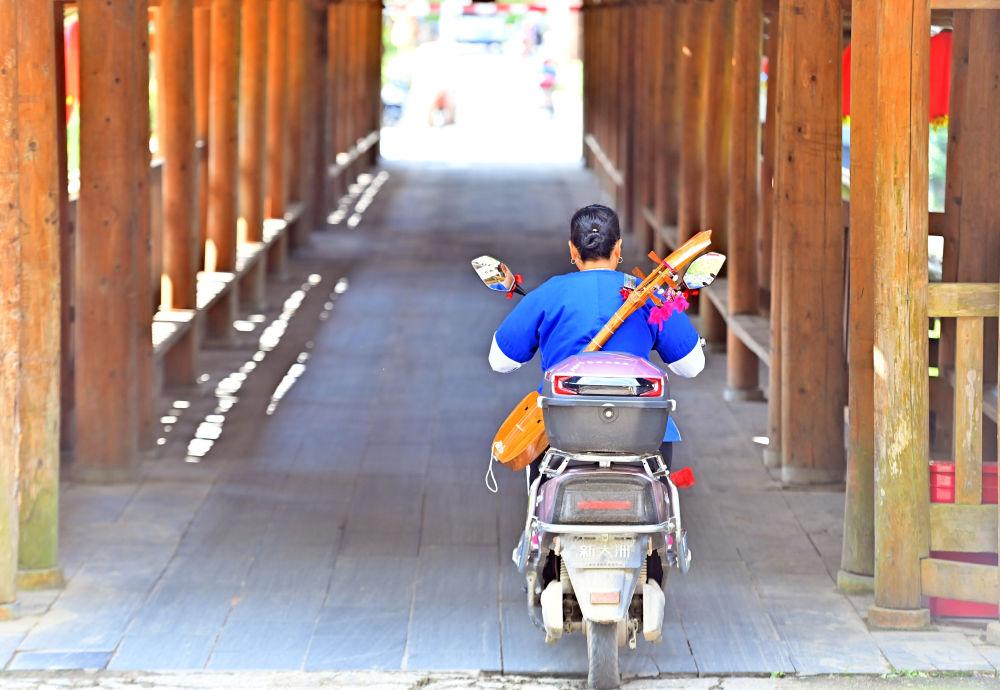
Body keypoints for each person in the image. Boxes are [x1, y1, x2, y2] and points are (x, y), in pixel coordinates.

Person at [487, 203, 705, 475]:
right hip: (641, 433)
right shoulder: (648, 295)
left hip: (560, 431)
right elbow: (692, 366)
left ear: (572, 250)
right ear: (619, 248)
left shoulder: (549, 293)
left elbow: (500, 361)